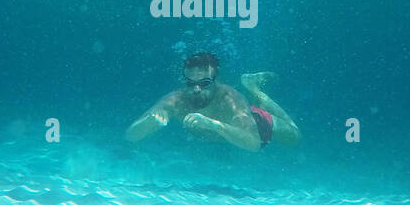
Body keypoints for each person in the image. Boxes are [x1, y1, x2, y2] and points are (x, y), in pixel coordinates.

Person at [125, 52, 301, 151]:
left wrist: (215, 125)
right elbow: (131, 136)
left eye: (204, 83)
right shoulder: (176, 100)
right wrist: (148, 122)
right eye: (190, 83)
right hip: (225, 135)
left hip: (256, 121)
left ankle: (254, 89)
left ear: (216, 80)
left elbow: (254, 144)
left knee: (294, 136)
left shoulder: (231, 99)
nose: (196, 89)